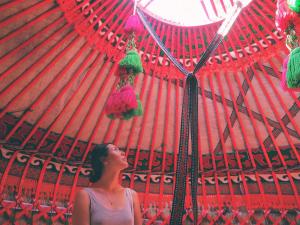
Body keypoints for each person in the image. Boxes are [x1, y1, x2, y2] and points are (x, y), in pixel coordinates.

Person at [72, 143, 142, 225]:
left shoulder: (131, 195)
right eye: (115, 149)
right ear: (104, 160)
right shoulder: (85, 196)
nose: (123, 153)